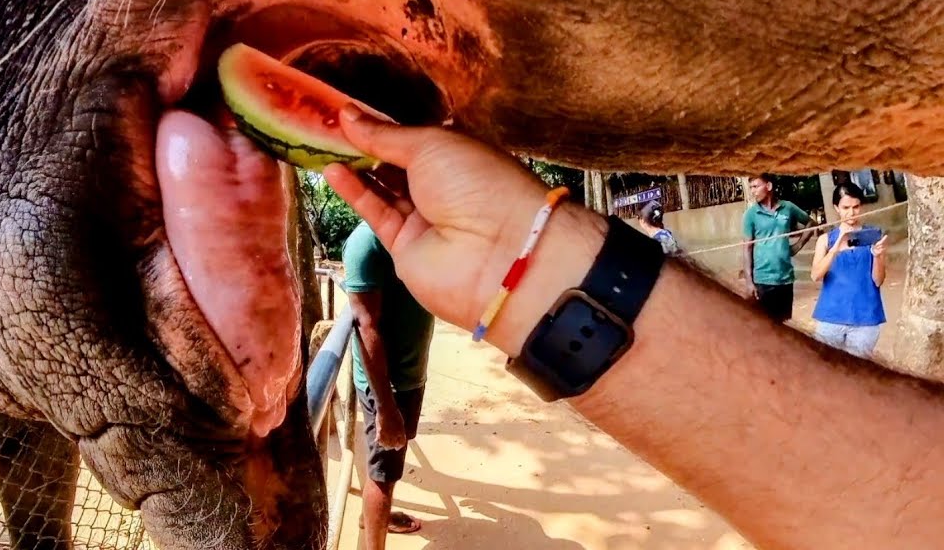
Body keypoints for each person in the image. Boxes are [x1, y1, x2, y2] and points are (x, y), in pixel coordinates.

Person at [321, 106, 943, 550]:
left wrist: (531, 259)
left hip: (428, 359)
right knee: (384, 465)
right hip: (401, 373)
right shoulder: (365, 249)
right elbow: (366, 327)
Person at [342, 221, 436, 548]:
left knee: (390, 462)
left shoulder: (415, 232)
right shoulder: (365, 244)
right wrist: (385, 408)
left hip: (411, 374)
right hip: (385, 386)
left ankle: (374, 518)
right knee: (383, 477)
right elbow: (364, 325)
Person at [809, 182, 889, 358]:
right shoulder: (825, 240)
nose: (851, 213)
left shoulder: (873, 235)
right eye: (846, 207)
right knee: (826, 370)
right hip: (831, 317)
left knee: (858, 374)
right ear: (836, 208)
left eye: (856, 207)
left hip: (866, 317)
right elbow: (815, 275)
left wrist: (877, 255)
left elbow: (878, 280)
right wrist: (836, 248)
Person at [742, 174, 818, 322]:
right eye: (751, 187)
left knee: (784, 324)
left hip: (785, 279)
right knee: (764, 325)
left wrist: (797, 245)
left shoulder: (787, 208)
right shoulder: (750, 215)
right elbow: (747, 249)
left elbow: (811, 223)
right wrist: (749, 282)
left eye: (756, 186)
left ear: (769, 186)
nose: (752, 191)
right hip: (763, 280)